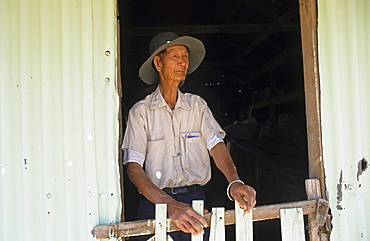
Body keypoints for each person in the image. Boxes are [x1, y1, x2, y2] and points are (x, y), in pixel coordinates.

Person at [122, 32, 256, 241]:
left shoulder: (197, 106)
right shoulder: (141, 112)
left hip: (196, 201)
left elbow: (217, 146)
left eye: (185, 56)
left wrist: (234, 182)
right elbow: (133, 168)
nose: (182, 61)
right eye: (175, 55)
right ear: (158, 62)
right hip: (154, 203)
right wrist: (170, 205)